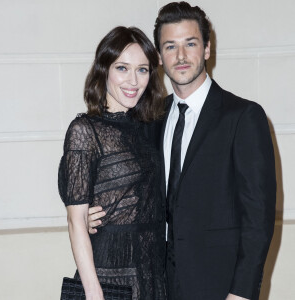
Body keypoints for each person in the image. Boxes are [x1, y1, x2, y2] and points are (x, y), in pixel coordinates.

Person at [88, 2, 276, 300]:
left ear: (207, 49)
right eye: (170, 46)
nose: (181, 56)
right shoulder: (151, 118)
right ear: (160, 57)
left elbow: (258, 219)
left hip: (219, 286)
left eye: (190, 43)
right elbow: (129, 187)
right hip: (156, 283)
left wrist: (241, 293)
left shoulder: (243, 117)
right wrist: (92, 213)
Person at [58, 26, 167, 300]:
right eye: (122, 68)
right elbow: (75, 221)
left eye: (142, 70)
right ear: (103, 69)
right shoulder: (85, 130)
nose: (133, 81)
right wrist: (94, 292)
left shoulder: (148, 127)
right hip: (108, 275)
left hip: (152, 271)